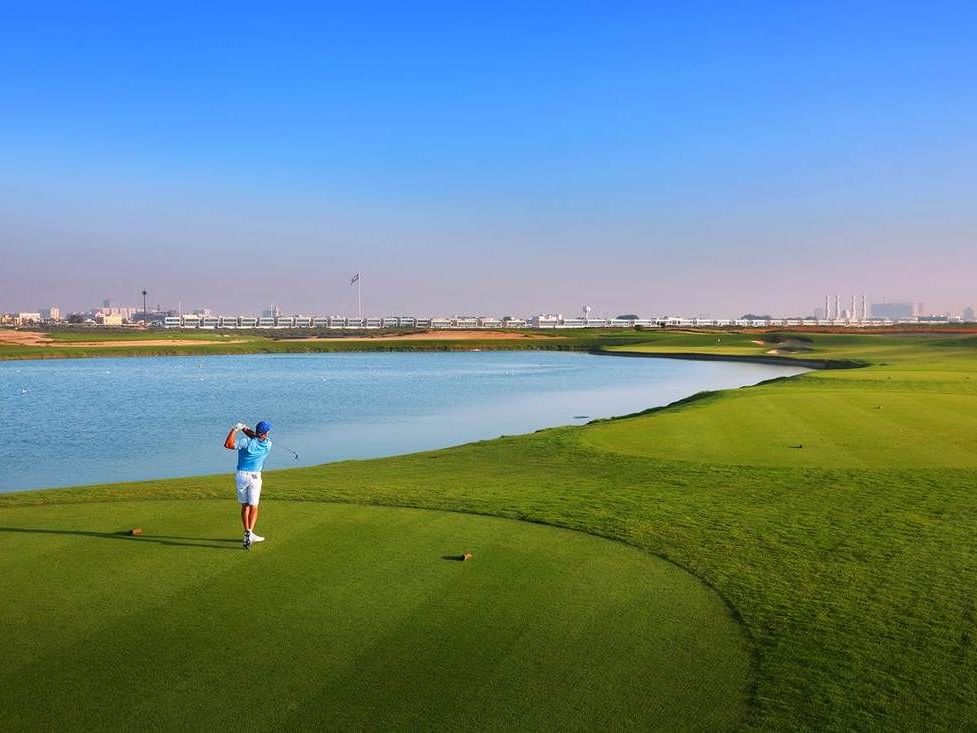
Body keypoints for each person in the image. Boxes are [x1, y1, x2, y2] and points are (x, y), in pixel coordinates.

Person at [223, 420, 273, 550]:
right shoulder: (268, 444)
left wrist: (235, 429)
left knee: (245, 505)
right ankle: (250, 532)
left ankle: (247, 532)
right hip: (255, 477)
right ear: (266, 433)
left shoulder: (245, 443)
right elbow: (255, 437)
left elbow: (228, 445)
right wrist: (245, 429)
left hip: (241, 476)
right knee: (254, 506)